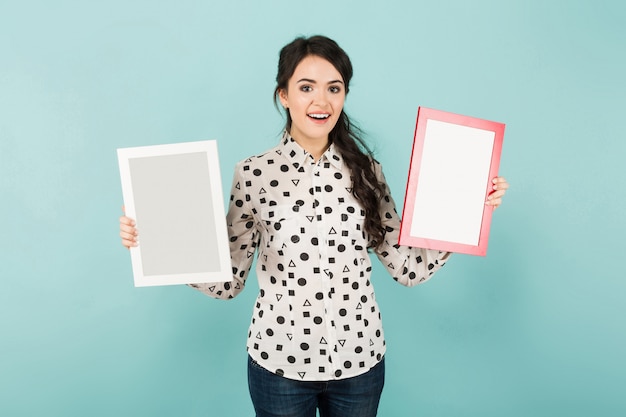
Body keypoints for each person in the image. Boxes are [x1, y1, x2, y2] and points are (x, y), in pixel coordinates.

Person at [119, 35, 509, 417]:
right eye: (306, 87)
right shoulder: (253, 174)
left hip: (360, 361)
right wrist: (155, 240)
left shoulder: (368, 173)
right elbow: (229, 280)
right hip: (279, 367)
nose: (321, 101)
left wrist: (470, 210)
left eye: (334, 89)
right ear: (284, 95)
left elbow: (408, 266)